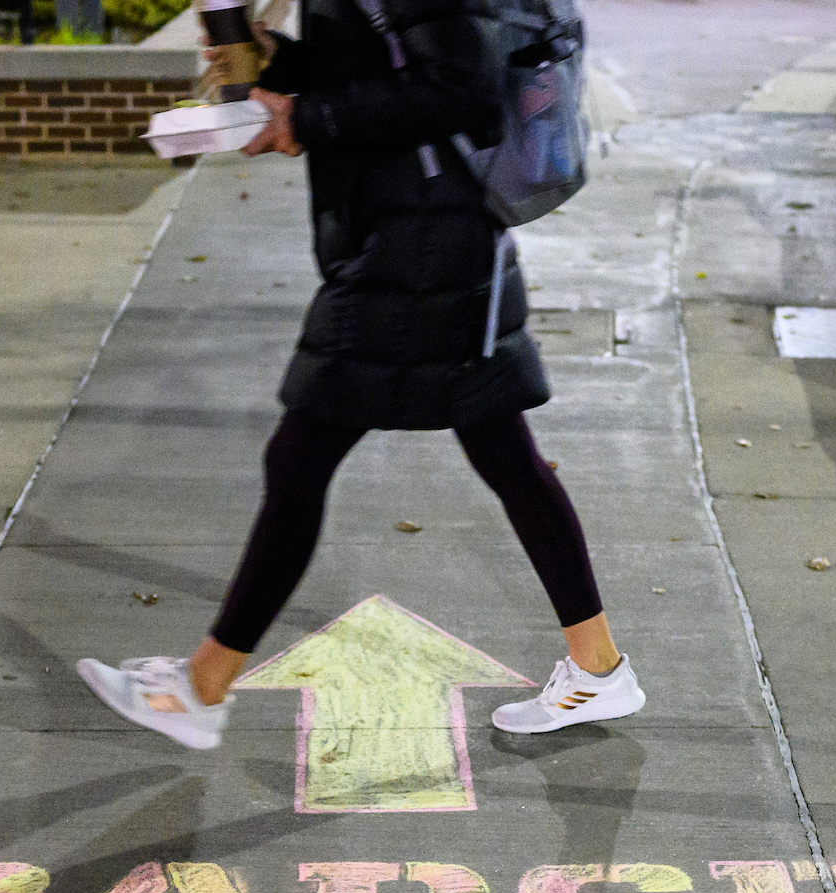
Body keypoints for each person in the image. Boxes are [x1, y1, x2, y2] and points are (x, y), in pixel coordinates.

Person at [77, 0, 642, 752]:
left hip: (421, 244)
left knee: (301, 454)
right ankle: (598, 666)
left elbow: (459, 90)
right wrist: (280, 63)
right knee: (504, 455)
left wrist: (307, 118)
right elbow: (389, 64)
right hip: (423, 231)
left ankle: (202, 685)